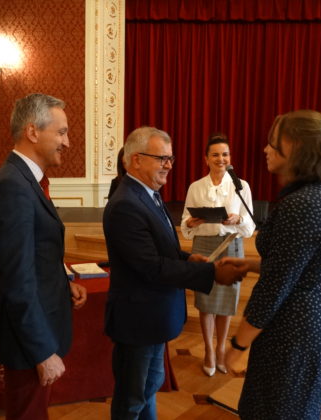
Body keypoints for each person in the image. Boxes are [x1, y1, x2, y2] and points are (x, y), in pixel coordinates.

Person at [103, 126, 247, 420]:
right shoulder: (126, 204)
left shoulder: (148, 194)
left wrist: (188, 257)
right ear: (136, 160)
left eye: (170, 159)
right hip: (139, 320)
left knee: (149, 388)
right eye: (162, 159)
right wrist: (208, 273)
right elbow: (151, 266)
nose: (169, 165)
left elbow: (161, 250)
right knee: (132, 399)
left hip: (153, 316)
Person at [223, 110, 321, 419]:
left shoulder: (302, 205)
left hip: (294, 332)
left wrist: (237, 346)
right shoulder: (318, 196)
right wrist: (250, 265)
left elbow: (275, 287)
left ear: (295, 146)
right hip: (308, 325)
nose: (266, 149)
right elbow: (296, 265)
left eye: (273, 142)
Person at [0, 93, 87, 420]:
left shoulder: (28, 182)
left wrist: (64, 283)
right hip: (28, 342)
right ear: (32, 132)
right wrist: (41, 350)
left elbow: (37, 254)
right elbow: (17, 280)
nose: (67, 142)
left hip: (40, 326)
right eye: (61, 132)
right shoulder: (12, 186)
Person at [180, 133, 255, 376]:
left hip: (231, 245)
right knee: (205, 302)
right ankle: (209, 350)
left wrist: (238, 218)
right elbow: (185, 221)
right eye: (215, 155)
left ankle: (221, 348)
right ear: (206, 159)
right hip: (203, 245)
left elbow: (250, 226)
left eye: (225, 154)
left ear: (230, 157)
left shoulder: (241, 186)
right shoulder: (196, 186)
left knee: (225, 303)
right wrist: (190, 222)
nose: (221, 159)